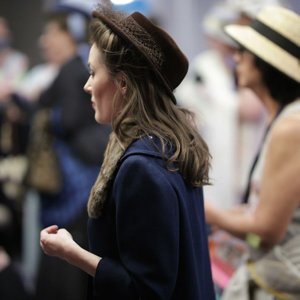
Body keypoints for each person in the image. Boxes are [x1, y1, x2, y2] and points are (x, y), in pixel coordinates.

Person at [40, 5, 216, 300]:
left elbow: (145, 290)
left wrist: (73, 254)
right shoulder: (169, 145)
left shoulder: (142, 167)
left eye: (93, 73)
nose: (87, 85)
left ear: (122, 83)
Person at [205, 5, 300, 299]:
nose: (236, 59)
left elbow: (267, 228)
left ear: (263, 63)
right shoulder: (283, 119)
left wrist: (208, 212)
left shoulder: (291, 125)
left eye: (243, 52)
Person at [32, 4, 111, 300]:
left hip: (75, 187)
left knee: (67, 271)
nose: (44, 40)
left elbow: (69, 122)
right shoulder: (71, 71)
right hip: (75, 185)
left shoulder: (71, 71)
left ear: (70, 35)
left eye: (51, 32)